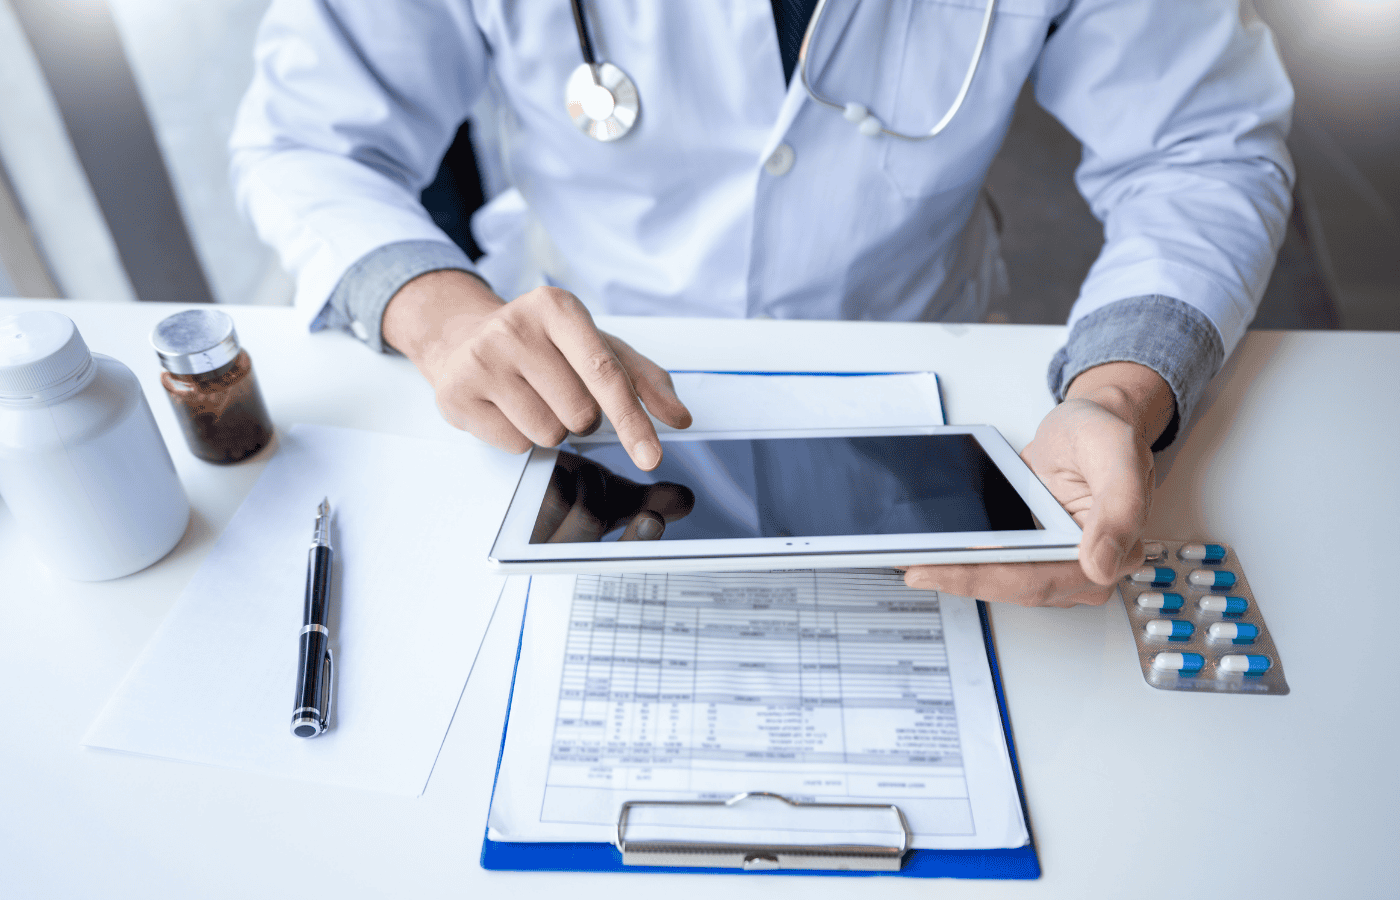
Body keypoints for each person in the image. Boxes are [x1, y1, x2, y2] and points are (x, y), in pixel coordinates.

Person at [229, 1, 1293, 607]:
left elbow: (1199, 148)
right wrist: (440, 310)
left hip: (919, 352)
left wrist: (1118, 391)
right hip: (573, 383)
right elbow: (306, 137)